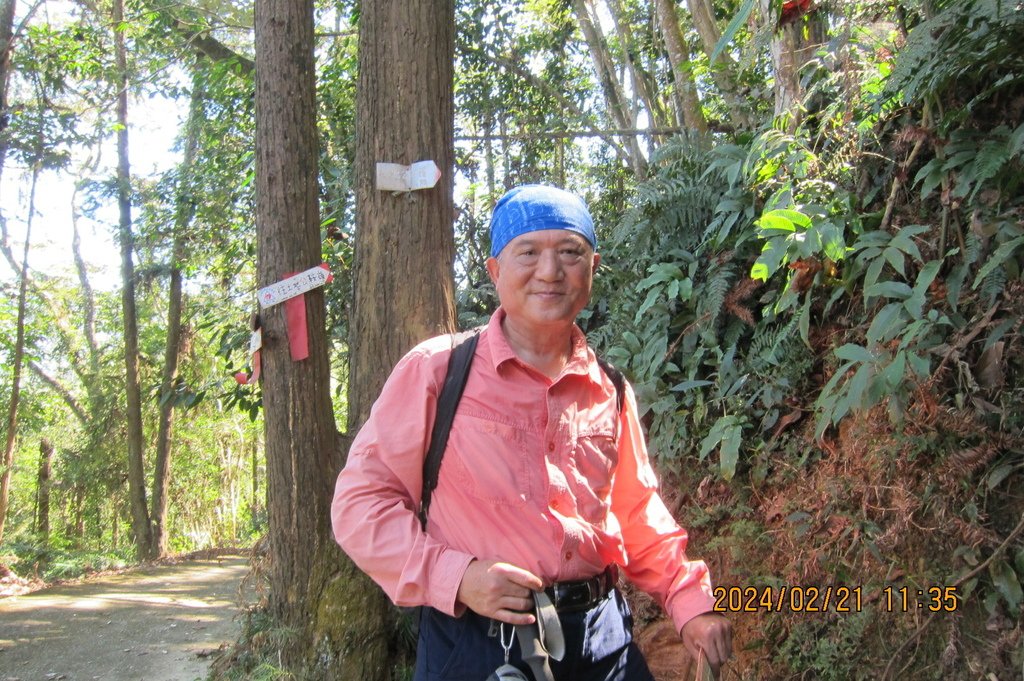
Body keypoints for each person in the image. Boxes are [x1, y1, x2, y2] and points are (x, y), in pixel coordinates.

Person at [332, 184, 732, 680]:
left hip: (601, 640)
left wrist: (688, 598)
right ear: (495, 271)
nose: (550, 271)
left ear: (592, 267)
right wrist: (456, 577)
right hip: (476, 644)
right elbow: (360, 506)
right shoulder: (436, 372)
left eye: (570, 252)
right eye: (529, 253)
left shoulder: (608, 387)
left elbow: (635, 511)